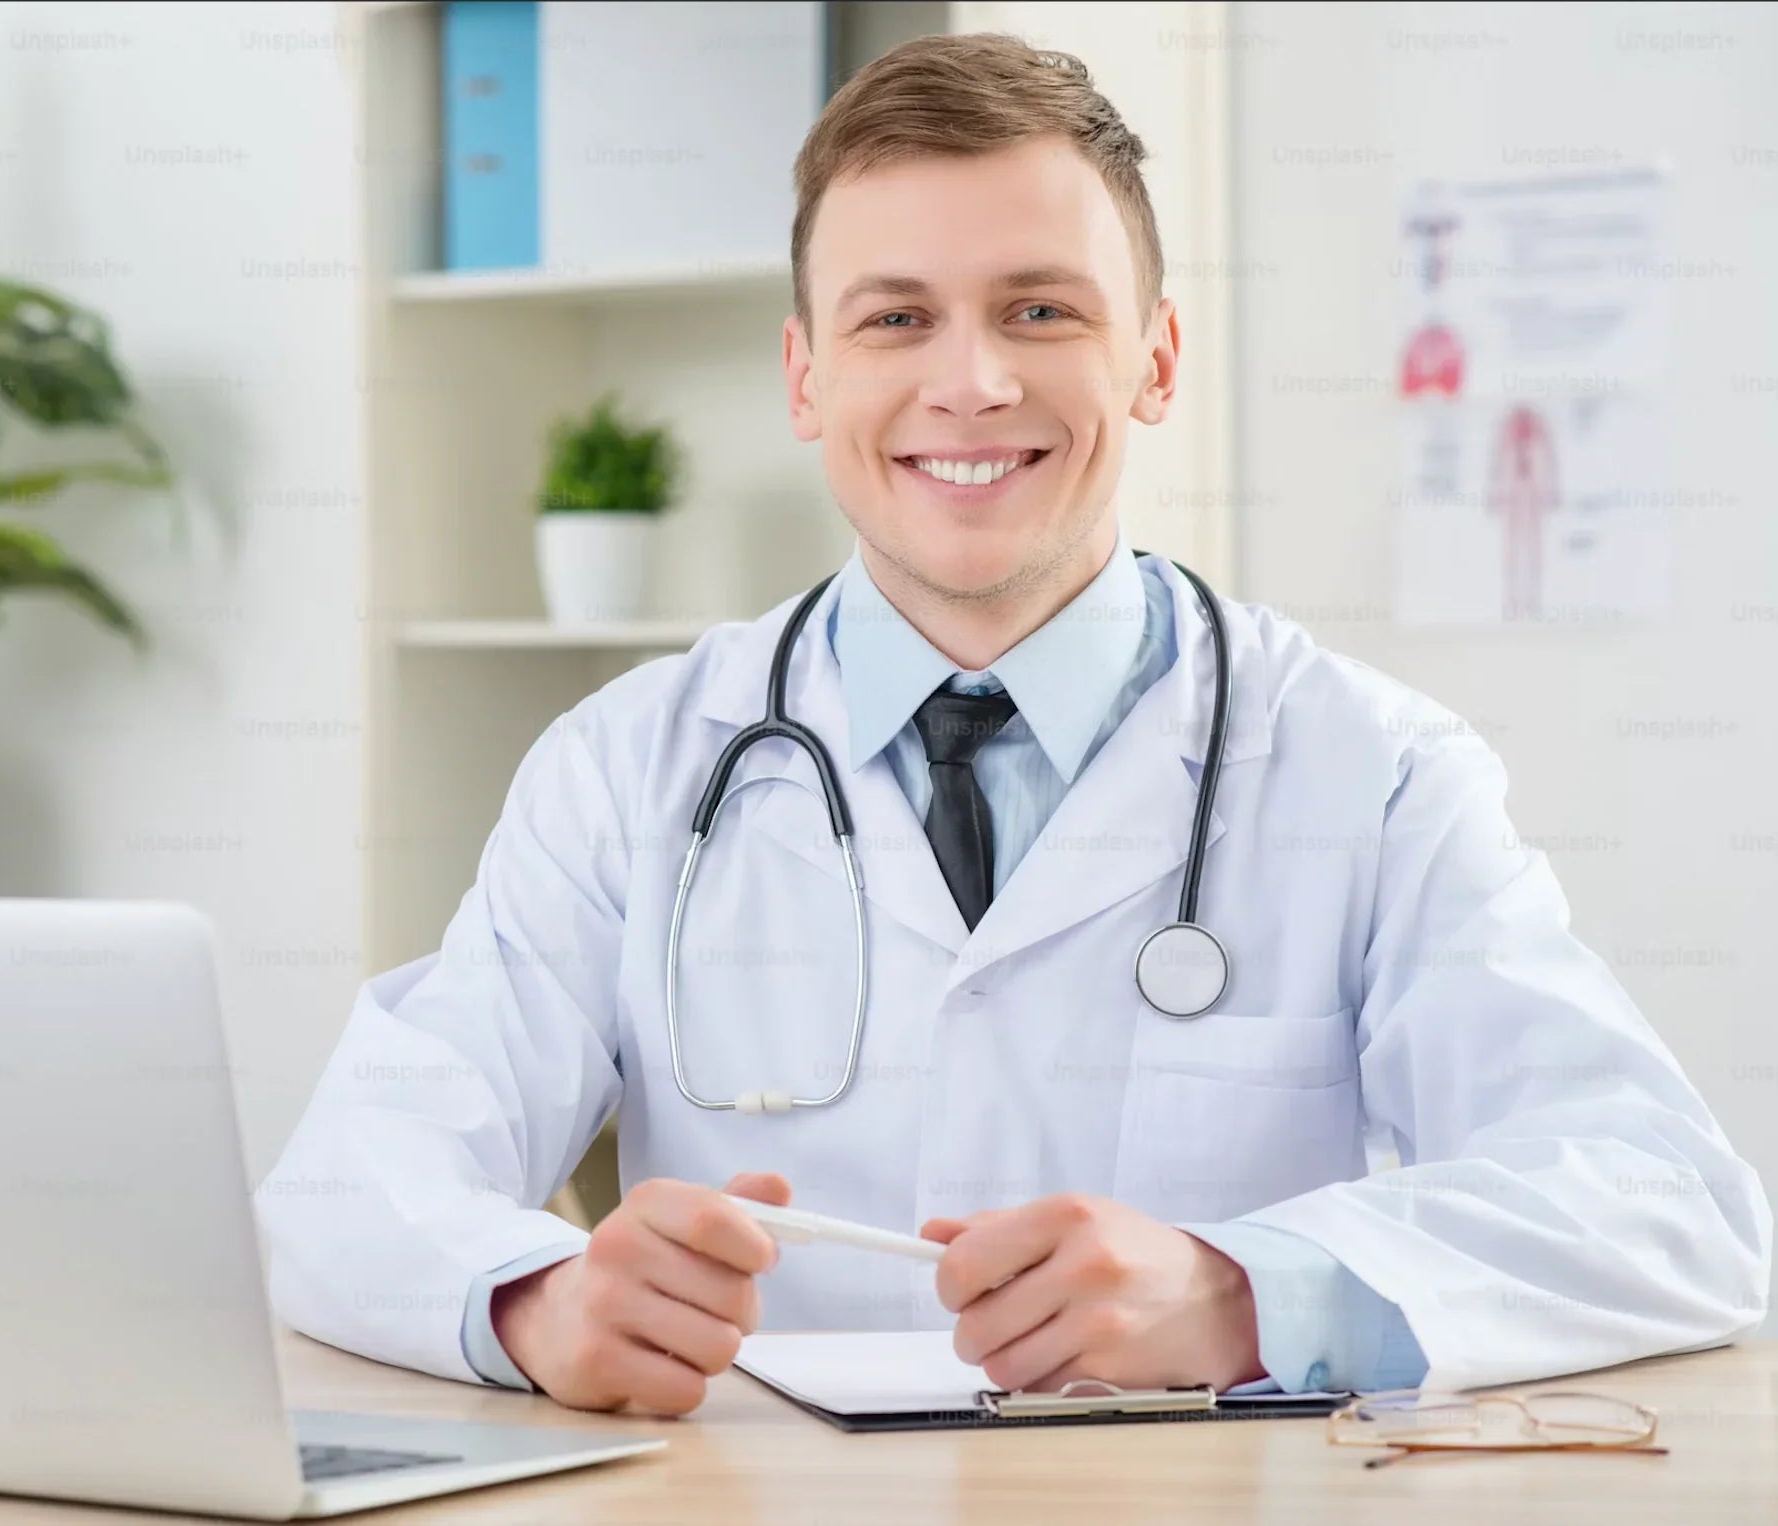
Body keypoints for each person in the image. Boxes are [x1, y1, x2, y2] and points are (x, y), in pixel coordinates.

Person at [259, 34, 1770, 1415]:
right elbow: (344, 1182)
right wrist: (535, 1297)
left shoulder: (1373, 772)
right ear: (805, 374)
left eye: (1039, 310)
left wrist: (1250, 1290)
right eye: (894, 317)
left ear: (1155, 358)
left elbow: (1665, 1205)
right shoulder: (625, 768)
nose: (969, 381)